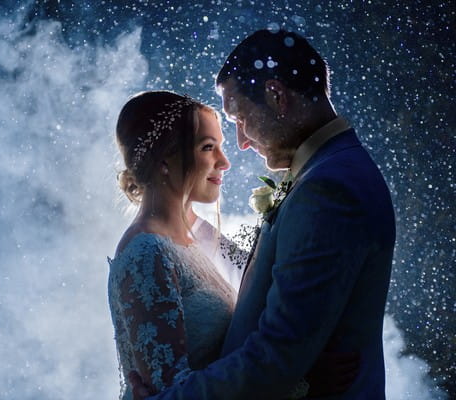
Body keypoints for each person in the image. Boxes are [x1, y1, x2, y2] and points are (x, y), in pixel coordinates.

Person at [108, 90, 360, 400]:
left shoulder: (198, 236)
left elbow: (270, 291)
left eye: (221, 147)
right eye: (208, 147)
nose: (224, 162)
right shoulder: (146, 254)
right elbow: (173, 393)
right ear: (164, 159)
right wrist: (299, 382)